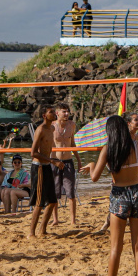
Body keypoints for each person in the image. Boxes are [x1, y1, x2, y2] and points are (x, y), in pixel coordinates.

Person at [84, 115, 138, 276]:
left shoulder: (108, 149)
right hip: (137, 193)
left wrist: (91, 165)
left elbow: (94, 178)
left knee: (116, 248)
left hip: (119, 194)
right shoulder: (136, 146)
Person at [98, 112, 138, 233]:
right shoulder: (128, 139)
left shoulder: (134, 139)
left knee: (120, 204)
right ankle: (107, 223)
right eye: (135, 120)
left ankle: (108, 222)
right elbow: (128, 156)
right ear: (128, 124)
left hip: (127, 181)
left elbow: (135, 157)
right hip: (122, 176)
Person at [28, 105, 64, 238]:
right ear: (44, 115)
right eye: (51, 112)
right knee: (39, 201)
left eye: (54, 112)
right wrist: (53, 160)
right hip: (39, 167)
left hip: (47, 165)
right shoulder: (40, 129)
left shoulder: (52, 128)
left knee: (53, 201)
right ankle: (31, 233)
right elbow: (33, 153)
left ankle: (42, 230)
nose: (54, 113)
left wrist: (53, 160)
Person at [51, 102, 83, 226]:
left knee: (70, 192)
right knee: (55, 193)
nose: (66, 114)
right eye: (64, 112)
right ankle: (55, 219)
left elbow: (73, 144)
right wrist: (52, 161)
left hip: (68, 161)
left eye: (67, 111)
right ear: (57, 113)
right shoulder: (52, 126)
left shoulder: (72, 125)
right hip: (55, 161)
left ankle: (73, 220)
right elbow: (49, 145)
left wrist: (79, 161)